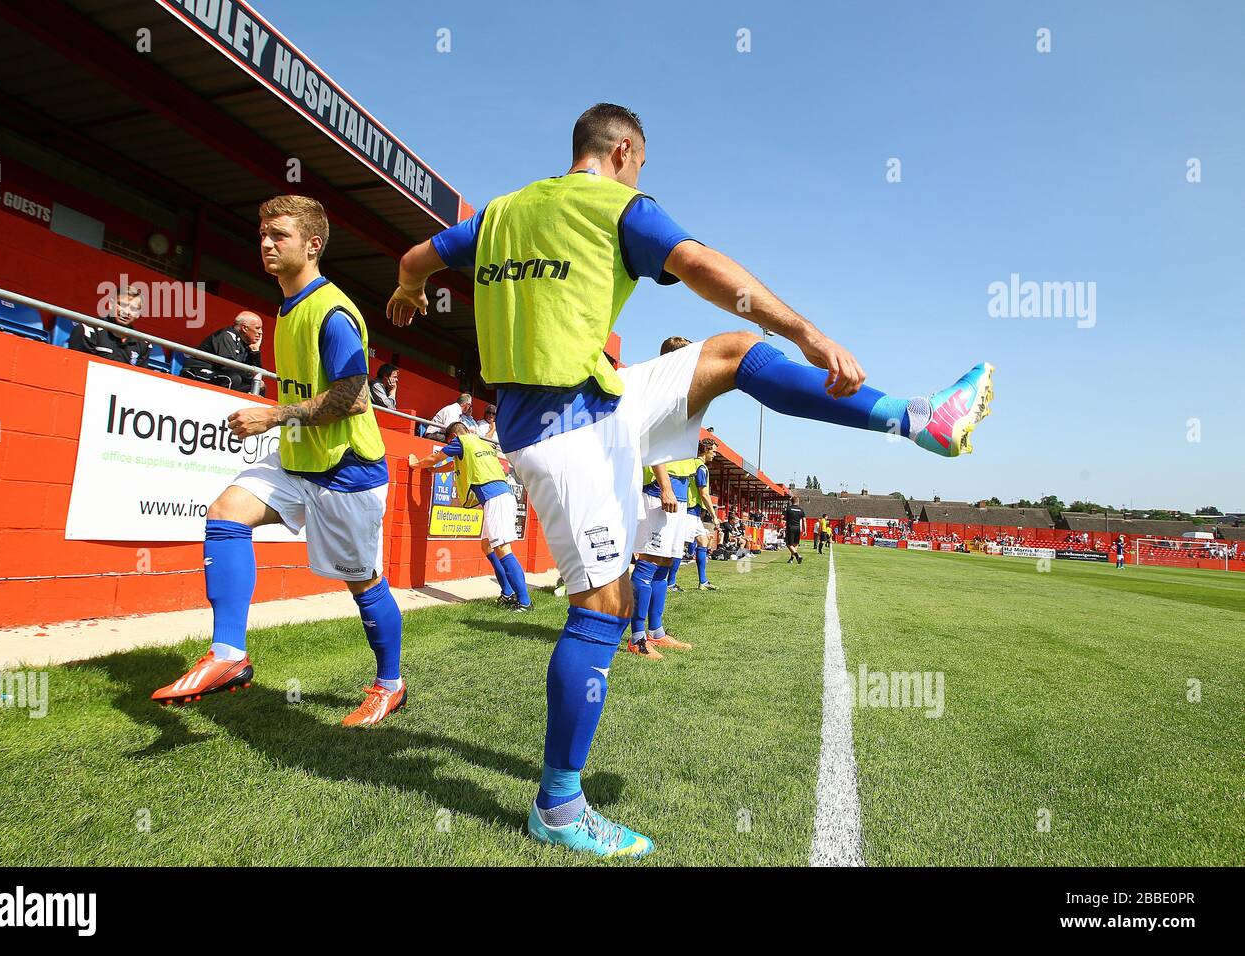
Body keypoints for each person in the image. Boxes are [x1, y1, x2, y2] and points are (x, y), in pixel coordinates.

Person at [387, 103, 994, 859]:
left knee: (733, 353)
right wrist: (808, 332)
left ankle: (916, 418)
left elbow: (416, 259)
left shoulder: (501, 214)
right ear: (625, 151)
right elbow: (706, 267)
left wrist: (411, 292)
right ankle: (559, 806)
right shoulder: (618, 204)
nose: (643, 174)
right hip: (565, 428)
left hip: (592, 396)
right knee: (601, 605)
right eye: (641, 163)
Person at [151, 195, 405, 728]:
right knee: (225, 512)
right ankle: (228, 656)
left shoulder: (331, 312)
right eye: (262, 232)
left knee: (364, 584)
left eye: (279, 234)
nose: (265, 242)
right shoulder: (285, 308)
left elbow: (355, 398)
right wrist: (281, 425)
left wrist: (271, 418)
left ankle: (389, 685)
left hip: (348, 471)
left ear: (312, 246)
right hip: (297, 460)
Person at [408, 421, 533, 611]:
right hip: (499, 497)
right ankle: (507, 593)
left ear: (454, 437)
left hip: (496, 498)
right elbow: (453, 466)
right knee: (487, 546)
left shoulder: (461, 442)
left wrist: (416, 464)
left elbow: (436, 457)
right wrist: (434, 471)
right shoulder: (480, 443)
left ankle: (524, 602)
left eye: (449, 442)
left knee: (502, 548)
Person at [625, 459, 692, 658]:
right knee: (649, 562)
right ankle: (637, 638)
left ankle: (656, 632)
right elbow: (657, 445)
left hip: (679, 493)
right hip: (659, 490)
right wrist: (665, 486)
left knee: (664, 566)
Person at [180, 312, 264, 393]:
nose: (261, 332)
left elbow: (256, 373)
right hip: (197, 371)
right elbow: (227, 366)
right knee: (233, 378)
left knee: (259, 388)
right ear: (244, 328)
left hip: (219, 374)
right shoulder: (227, 335)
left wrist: (255, 351)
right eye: (257, 328)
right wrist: (250, 378)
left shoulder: (247, 344)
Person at [69, 282, 146, 367]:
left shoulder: (143, 343)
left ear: (139, 313)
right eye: (122, 305)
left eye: (133, 308)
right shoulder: (88, 330)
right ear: (111, 304)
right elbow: (75, 367)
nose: (126, 312)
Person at [688, 440, 722, 590]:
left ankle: (703, 582)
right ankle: (670, 583)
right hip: (689, 509)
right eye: (713, 451)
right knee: (678, 547)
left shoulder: (691, 464)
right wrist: (714, 515)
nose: (715, 454)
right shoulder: (701, 468)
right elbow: (703, 493)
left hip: (692, 511)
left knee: (702, 541)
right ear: (706, 450)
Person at [783, 499, 806, 563]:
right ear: (798, 501)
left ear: (791, 501)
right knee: (796, 544)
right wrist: (805, 530)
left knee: (788, 544)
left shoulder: (788, 509)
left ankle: (797, 556)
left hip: (790, 528)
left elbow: (784, 519)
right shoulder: (801, 509)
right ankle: (791, 559)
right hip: (798, 528)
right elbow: (804, 520)